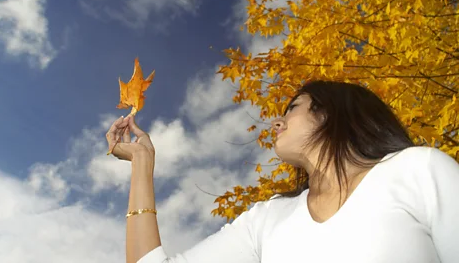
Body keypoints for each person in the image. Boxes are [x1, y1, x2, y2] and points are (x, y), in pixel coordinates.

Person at [106, 80, 459, 263]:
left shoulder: (417, 170)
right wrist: (142, 164)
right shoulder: (268, 218)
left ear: (330, 114)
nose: (277, 120)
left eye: (293, 108)